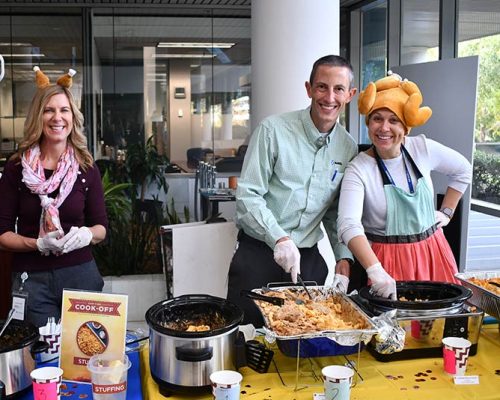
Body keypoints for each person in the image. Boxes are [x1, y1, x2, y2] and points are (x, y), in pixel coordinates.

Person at [227, 55, 358, 326]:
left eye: (338, 89)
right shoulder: (272, 130)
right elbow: (248, 195)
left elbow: (335, 213)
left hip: (309, 263)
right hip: (259, 255)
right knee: (249, 342)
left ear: (350, 95)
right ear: (309, 89)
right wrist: (279, 239)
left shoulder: (348, 148)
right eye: (322, 87)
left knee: (303, 337)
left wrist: (343, 258)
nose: (329, 97)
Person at [337, 72, 472, 300]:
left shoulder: (422, 148)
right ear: (368, 123)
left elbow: (463, 170)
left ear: (406, 126)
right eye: (377, 118)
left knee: (437, 326)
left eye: (394, 120)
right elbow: (348, 225)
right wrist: (374, 270)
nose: (384, 128)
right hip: (386, 262)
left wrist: (447, 211)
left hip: (433, 253)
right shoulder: (358, 169)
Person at [0, 67, 108, 327]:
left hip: (81, 278)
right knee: (38, 360)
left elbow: (101, 228)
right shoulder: (17, 168)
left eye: (64, 110)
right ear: (38, 116)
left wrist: (86, 235)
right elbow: (1, 235)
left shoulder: (86, 167)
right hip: (31, 281)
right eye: (49, 110)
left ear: (73, 117)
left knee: (83, 356)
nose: (57, 117)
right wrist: (37, 244)